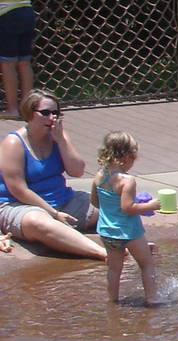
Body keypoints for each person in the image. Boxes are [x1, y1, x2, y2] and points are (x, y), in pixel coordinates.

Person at [0, 90, 105, 259]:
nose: (52, 118)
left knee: (111, 203)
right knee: (38, 222)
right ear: (29, 114)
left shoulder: (58, 135)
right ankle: (103, 253)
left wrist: (61, 141)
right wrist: (53, 213)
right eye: (45, 113)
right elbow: (19, 190)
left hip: (63, 200)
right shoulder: (13, 143)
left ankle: (136, 244)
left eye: (56, 113)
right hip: (20, 206)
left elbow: (77, 171)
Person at [95, 131, 161, 305]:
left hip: (107, 232)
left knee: (114, 268)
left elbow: (95, 201)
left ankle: (112, 301)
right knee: (146, 264)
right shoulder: (127, 181)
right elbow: (128, 208)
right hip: (129, 232)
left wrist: (113, 206)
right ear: (127, 156)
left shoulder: (99, 175)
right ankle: (152, 300)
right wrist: (151, 206)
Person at [0, 0, 37, 120]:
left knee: (8, 63)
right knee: (24, 62)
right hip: (26, 11)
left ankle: (12, 109)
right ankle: (27, 109)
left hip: (7, 13)